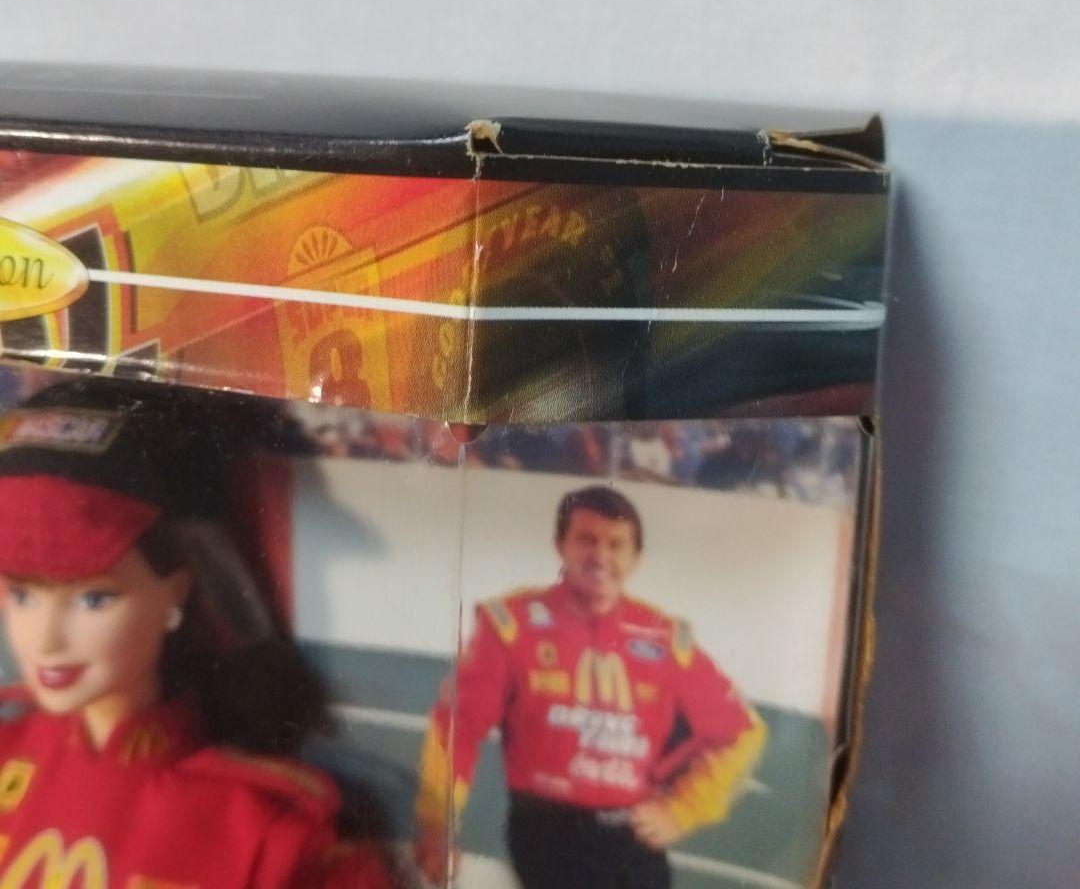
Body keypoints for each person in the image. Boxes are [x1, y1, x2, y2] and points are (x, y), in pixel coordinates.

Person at [0, 380, 392, 889]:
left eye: (94, 598)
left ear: (179, 591)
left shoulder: (265, 828)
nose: (45, 640)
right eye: (22, 595)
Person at [414, 485, 766, 889]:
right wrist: (436, 823)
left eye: (616, 545)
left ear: (635, 558)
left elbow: (742, 731)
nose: (600, 555)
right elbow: (456, 727)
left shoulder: (666, 638)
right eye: (586, 540)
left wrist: (683, 810)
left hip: (632, 832)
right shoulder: (511, 625)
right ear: (560, 546)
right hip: (551, 832)